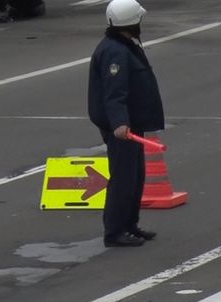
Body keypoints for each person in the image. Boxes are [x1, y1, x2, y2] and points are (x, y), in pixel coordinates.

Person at [87, 0, 164, 247]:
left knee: (135, 176)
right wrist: (120, 123)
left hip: (133, 126)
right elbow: (114, 92)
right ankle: (115, 232)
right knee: (123, 178)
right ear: (132, 21)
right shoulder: (115, 52)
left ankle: (130, 225)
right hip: (123, 130)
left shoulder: (123, 45)